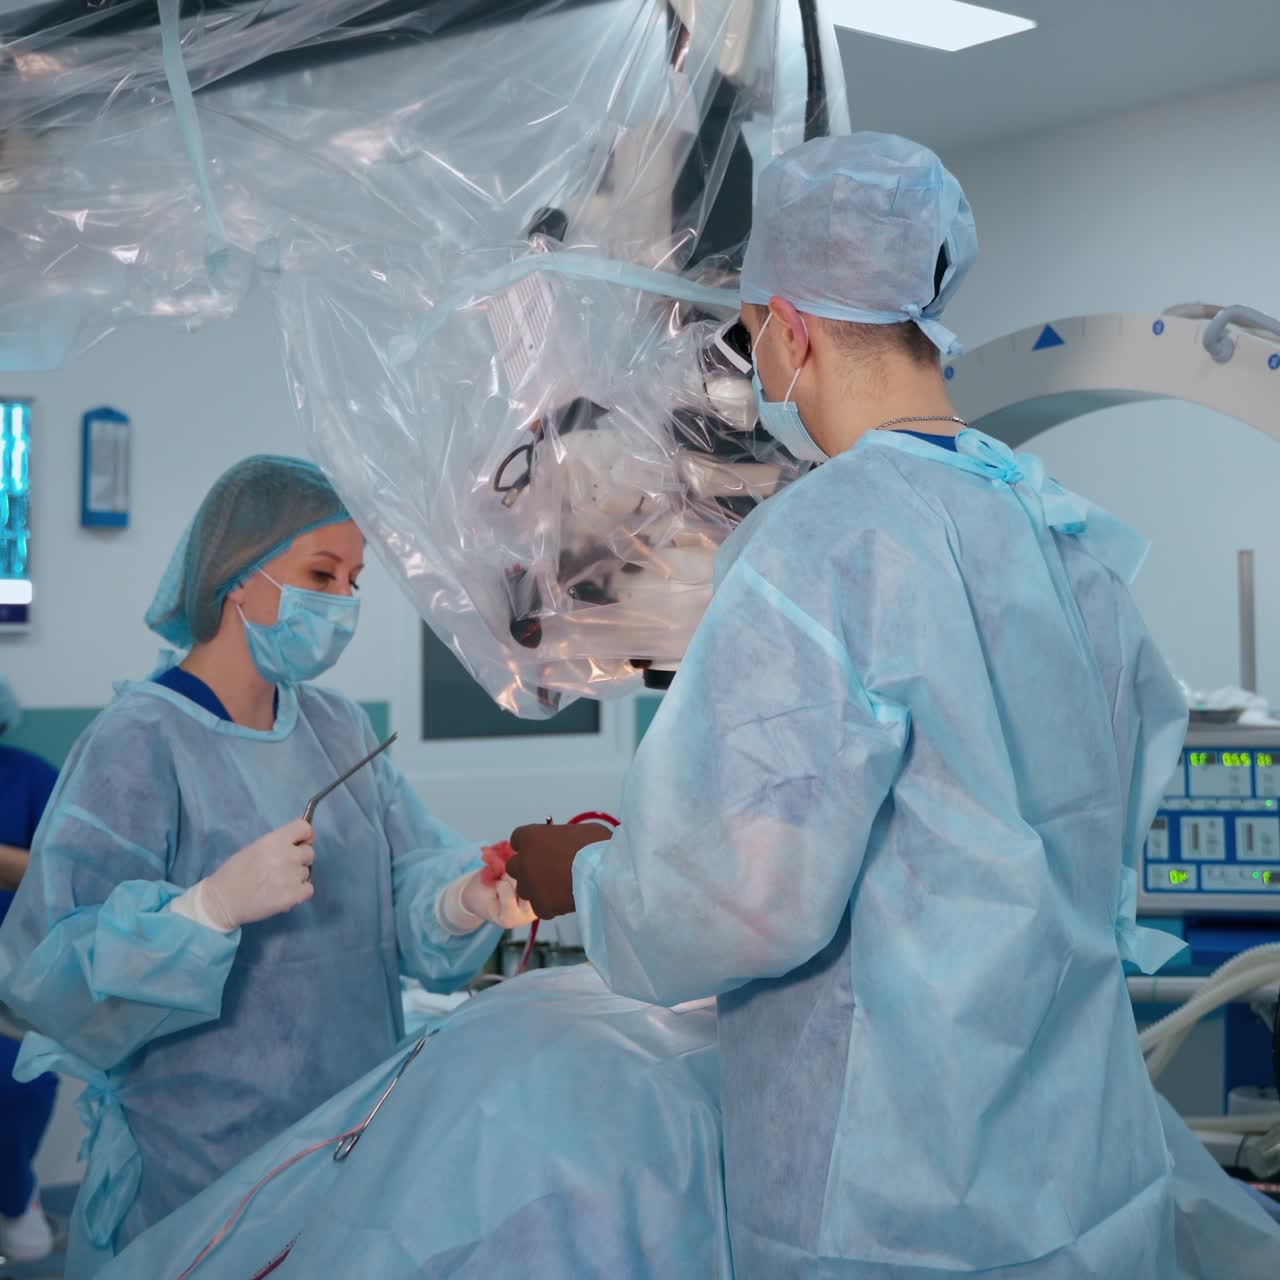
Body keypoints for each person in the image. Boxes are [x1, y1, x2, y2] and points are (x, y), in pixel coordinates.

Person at [508, 133, 1192, 1277]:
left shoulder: (823, 542)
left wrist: (577, 878)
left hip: (900, 1208)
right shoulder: (1056, 531)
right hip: (1085, 1174)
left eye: (750, 332)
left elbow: (744, 898)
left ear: (788, 325)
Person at [0, 455, 532, 1278]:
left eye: (354, 581)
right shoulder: (139, 742)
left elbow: (406, 883)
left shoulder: (338, 728)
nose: (341, 603)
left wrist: (464, 898)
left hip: (344, 1146)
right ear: (235, 578)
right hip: (196, 1174)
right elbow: (51, 970)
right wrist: (205, 911)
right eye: (321, 573)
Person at [0, 676, 60, 1263]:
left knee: (18, 1083)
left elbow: (61, 870)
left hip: (12, 977)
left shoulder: (29, 776)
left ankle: (15, 1198)